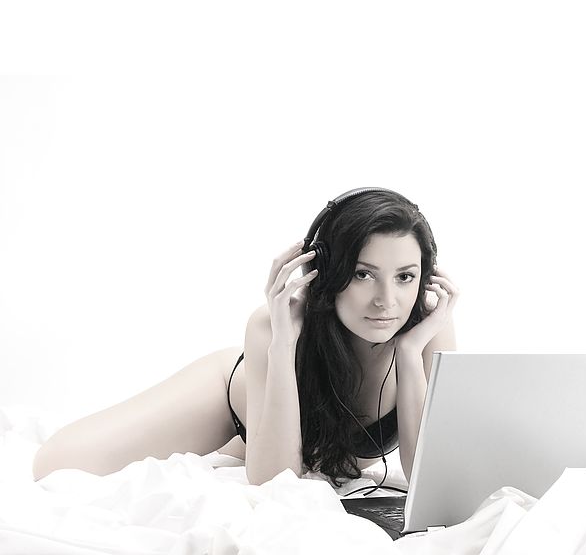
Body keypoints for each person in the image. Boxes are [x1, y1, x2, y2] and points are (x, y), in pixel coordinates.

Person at [32, 188, 458, 488]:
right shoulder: (275, 326)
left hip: (292, 433)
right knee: (57, 464)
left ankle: (249, 447)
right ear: (325, 271)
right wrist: (283, 344)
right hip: (231, 397)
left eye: (405, 277)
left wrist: (408, 354)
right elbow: (276, 483)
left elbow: (430, 477)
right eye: (363, 274)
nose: (387, 300)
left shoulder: (425, 331)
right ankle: (243, 441)